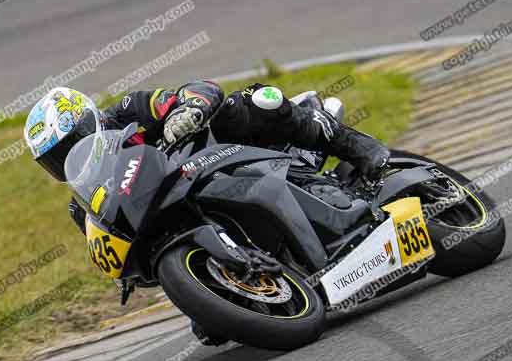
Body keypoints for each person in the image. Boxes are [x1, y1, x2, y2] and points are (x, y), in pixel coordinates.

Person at [24, 81, 390, 344]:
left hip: (224, 157)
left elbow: (198, 90)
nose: (67, 160)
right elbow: (131, 256)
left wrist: (189, 109)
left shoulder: (126, 111)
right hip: (184, 215)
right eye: (55, 160)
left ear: (90, 122)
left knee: (251, 102)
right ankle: (245, 277)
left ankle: (359, 147)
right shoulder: (83, 205)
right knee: (211, 331)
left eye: (72, 143)